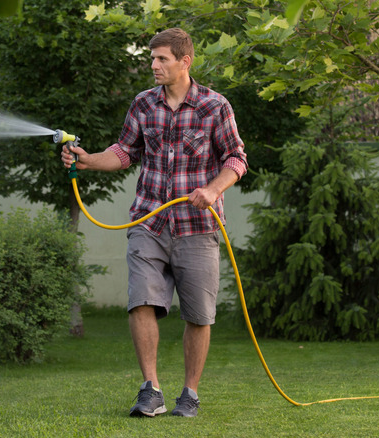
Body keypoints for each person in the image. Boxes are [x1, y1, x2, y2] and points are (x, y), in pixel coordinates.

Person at [60, 28, 247, 418]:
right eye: (152, 58)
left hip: (198, 226)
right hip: (149, 221)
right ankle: (151, 390)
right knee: (141, 300)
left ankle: (190, 394)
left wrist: (212, 190)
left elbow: (236, 160)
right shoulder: (143, 104)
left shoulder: (215, 106)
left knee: (198, 315)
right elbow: (125, 151)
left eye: (161, 59)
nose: (154, 65)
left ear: (185, 61)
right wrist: (88, 159)